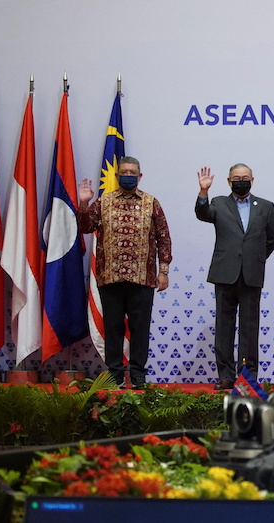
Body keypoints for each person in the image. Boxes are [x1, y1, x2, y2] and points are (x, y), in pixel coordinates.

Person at [77, 156, 171, 389]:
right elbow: (85, 228)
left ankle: (138, 375)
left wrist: (164, 270)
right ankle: (115, 375)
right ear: (117, 176)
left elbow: (163, 238)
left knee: (140, 329)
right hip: (110, 277)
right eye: (124, 172)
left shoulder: (152, 203)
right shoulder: (104, 201)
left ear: (140, 177)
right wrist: (83, 204)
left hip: (143, 278)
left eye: (133, 173)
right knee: (114, 328)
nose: (128, 176)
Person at [195, 163, 274, 390]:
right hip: (225, 273)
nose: (240, 181)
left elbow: (273, 238)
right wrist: (204, 192)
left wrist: (256, 257)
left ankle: (247, 376)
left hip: (251, 274)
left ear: (252, 180)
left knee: (249, 328)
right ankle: (225, 375)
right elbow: (203, 214)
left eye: (244, 177)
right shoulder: (218, 203)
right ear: (228, 181)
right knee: (224, 327)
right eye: (236, 178)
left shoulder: (265, 206)